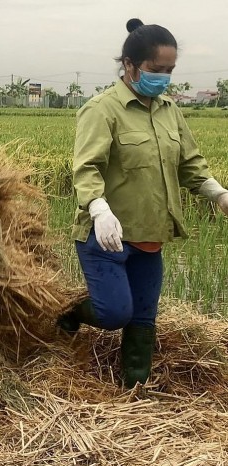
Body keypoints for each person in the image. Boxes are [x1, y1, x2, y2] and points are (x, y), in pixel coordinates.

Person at [58, 19, 228, 388]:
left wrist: (219, 193)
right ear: (130, 65)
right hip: (106, 235)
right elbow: (86, 168)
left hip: (150, 234)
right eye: (156, 69)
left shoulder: (169, 110)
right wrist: (98, 208)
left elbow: (190, 163)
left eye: (170, 70)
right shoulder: (102, 109)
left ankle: (135, 388)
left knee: (143, 317)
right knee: (114, 314)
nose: (164, 78)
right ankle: (70, 312)